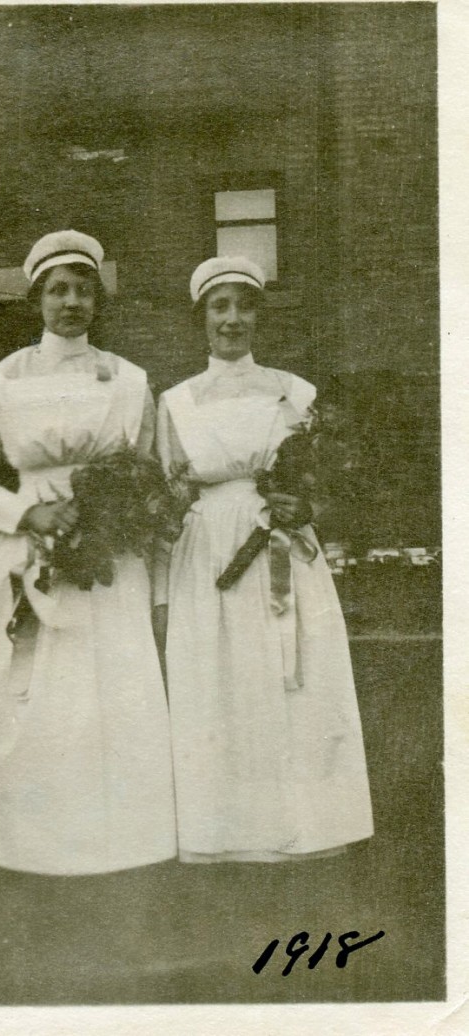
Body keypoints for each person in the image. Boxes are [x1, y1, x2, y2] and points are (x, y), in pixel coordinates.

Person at [0, 230, 176, 875]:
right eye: (58, 290)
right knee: (31, 690)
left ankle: (118, 844)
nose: (71, 302)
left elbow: (150, 477)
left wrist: (117, 518)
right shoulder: (2, 380)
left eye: (83, 289)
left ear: (98, 299)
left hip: (108, 559)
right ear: (37, 298)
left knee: (106, 691)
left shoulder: (130, 382)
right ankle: (20, 844)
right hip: (25, 554)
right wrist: (28, 511)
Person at [154, 255, 373, 864]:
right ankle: (221, 833)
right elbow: (168, 499)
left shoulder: (294, 391)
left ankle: (303, 827)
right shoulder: (174, 403)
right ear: (201, 318)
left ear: (259, 315)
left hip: (282, 547)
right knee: (219, 682)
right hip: (208, 557)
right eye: (219, 307)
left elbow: (325, 480)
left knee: (292, 677)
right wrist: (162, 592)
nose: (232, 319)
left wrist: (302, 501)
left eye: (244, 306)